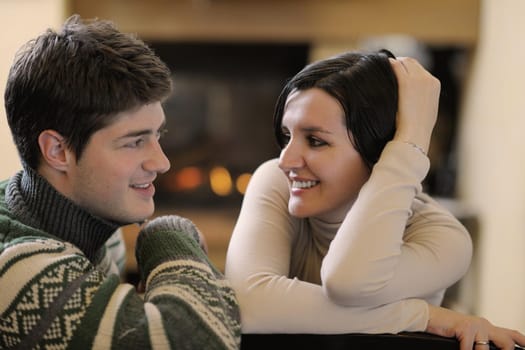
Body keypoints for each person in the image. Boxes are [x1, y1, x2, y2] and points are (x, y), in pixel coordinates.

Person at [225, 50, 525, 349]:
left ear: (381, 150)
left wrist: (412, 141)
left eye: (316, 141)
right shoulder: (275, 182)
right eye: (287, 136)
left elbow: (348, 282)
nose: (285, 160)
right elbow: (245, 303)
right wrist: (421, 316)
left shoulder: (444, 239)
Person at [0, 15, 240, 349]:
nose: (162, 162)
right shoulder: (17, 268)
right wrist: (167, 239)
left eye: (158, 135)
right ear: (58, 150)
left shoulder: (95, 224)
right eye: (134, 142)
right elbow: (198, 342)